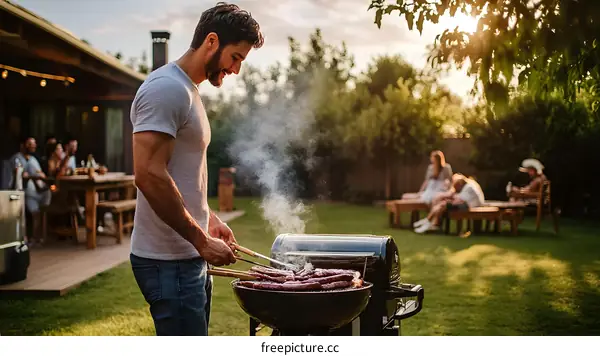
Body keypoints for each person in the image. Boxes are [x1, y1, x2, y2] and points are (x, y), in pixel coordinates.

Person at [129, 2, 264, 336]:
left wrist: (210, 221)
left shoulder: (188, 91)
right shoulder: (166, 89)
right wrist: (200, 240)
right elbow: (148, 174)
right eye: (236, 57)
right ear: (212, 41)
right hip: (169, 260)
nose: (236, 70)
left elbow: (181, 175)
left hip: (187, 255)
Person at [9, 136, 52, 244]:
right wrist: (32, 176)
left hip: (39, 190)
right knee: (34, 212)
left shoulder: (33, 159)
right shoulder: (17, 158)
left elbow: (40, 173)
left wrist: (37, 175)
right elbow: (20, 175)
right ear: (23, 145)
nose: (33, 146)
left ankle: (40, 237)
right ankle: (32, 237)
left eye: (34, 144)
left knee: (45, 205)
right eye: (30, 144)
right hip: (23, 191)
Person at [413, 174, 484, 234]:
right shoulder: (469, 184)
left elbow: (460, 201)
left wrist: (449, 201)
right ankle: (429, 222)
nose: (456, 190)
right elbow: (459, 199)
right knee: (442, 205)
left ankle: (429, 222)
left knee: (443, 205)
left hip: (470, 206)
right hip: (470, 205)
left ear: (460, 184)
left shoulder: (468, 188)